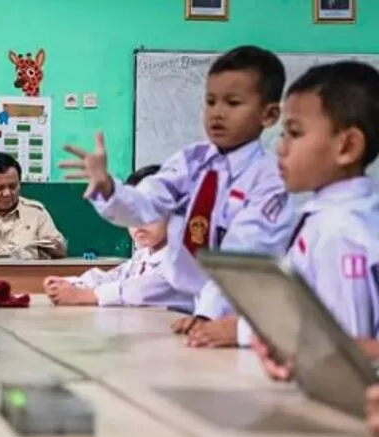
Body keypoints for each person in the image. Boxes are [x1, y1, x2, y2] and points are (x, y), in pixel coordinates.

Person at [59, 45, 293, 344]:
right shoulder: (192, 161)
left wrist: (209, 315)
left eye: (233, 103)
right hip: (198, 308)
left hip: (247, 315)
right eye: (210, 101)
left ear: (269, 115)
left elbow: (242, 256)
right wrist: (109, 188)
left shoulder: (271, 178)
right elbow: (146, 204)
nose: (217, 113)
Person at [247, 61, 379, 437]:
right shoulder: (328, 216)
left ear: (347, 146)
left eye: (294, 133)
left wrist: (306, 351)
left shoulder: (342, 229)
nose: (281, 148)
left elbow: (348, 355)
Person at [43, 165, 194, 313]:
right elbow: (114, 277)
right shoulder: (143, 255)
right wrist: (71, 283)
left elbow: (143, 290)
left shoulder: (184, 256)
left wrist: (85, 295)